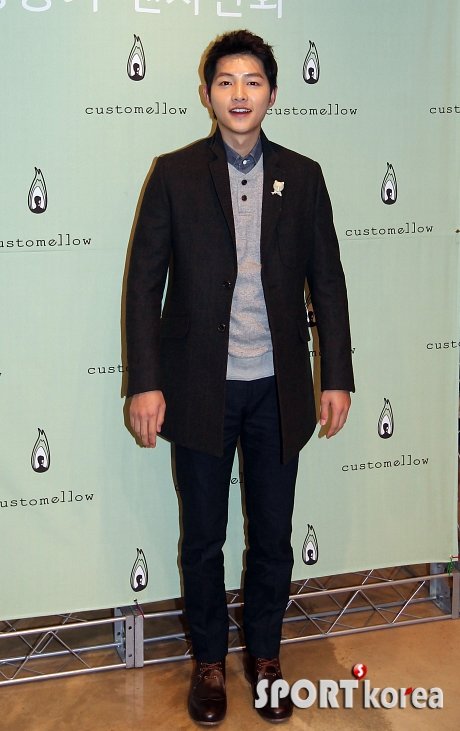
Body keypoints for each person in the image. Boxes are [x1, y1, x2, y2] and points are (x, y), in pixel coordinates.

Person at [125, 29, 354, 725]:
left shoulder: (303, 176)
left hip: (278, 390)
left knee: (274, 535)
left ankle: (266, 656)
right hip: (200, 387)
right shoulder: (174, 174)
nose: (239, 93)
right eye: (226, 81)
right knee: (203, 536)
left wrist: (336, 375)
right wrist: (145, 382)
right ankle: (207, 661)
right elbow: (144, 286)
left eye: (252, 81)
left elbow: (328, 282)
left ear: (273, 94)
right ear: (207, 94)